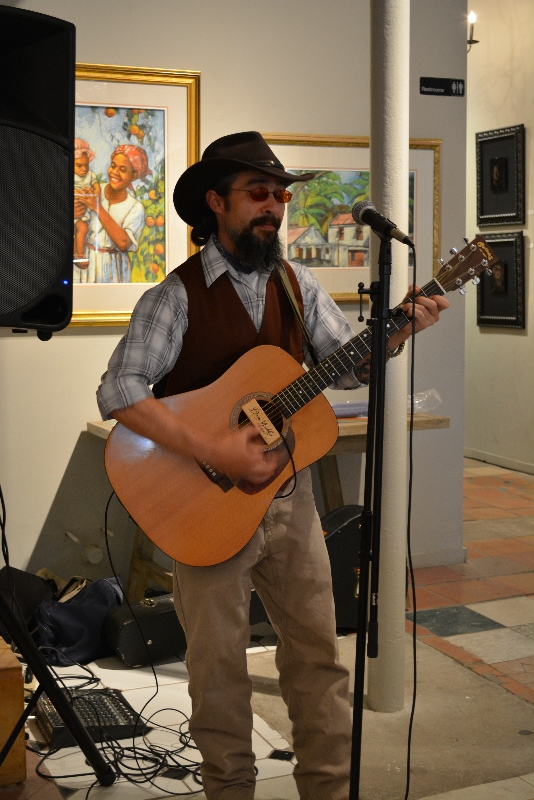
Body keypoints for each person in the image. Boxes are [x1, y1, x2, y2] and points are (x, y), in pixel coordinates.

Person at [97, 131, 449, 800]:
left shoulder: (297, 284)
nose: (274, 207)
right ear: (216, 202)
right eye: (258, 193)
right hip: (207, 511)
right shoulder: (176, 297)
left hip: (292, 502)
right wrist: (213, 449)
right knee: (218, 674)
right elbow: (119, 391)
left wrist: (401, 326)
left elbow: (349, 365)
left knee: (320, 661)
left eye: (280, 196)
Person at [74, 144, 150, 283]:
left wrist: (97, 207)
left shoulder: (135, 207)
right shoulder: (94, 190)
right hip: (86, 262)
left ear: (133, 175)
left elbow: (123, 243)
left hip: (114, 268)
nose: (115, 172)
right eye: (113, 166)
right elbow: (75, 222)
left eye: (123, 169)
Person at [73, 138, 101, 269]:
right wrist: (78, 192)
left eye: (86, 165)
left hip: (83, 211)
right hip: (71, 209)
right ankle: (78, 254)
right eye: (79, 166)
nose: (84, 169)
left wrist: (95, 194)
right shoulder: (70, 174)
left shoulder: (90, 175)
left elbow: (97, 188)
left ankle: (78, 253)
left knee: (83, 229)